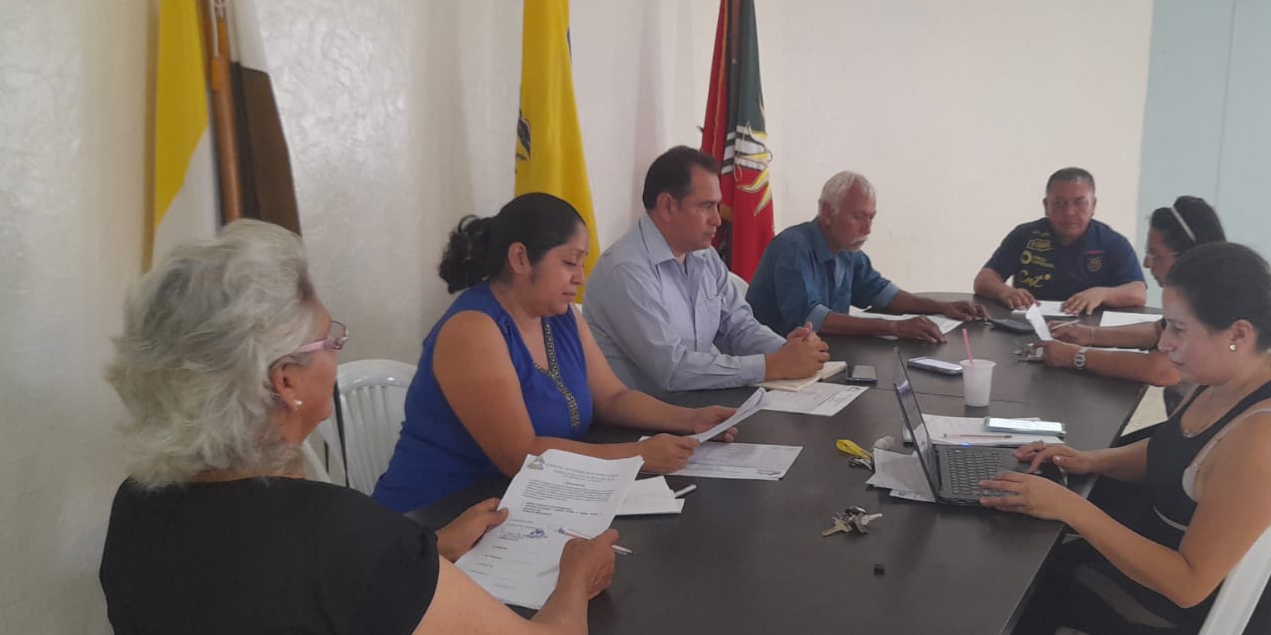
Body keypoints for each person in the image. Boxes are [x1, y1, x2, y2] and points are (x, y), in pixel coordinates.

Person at [99, 220, 620, 635]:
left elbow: (270, 604)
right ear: (286, 380)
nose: (337, 350)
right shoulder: (335, 534)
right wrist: (575, 577)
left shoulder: (136, 503)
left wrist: (428, 549)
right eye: (331, 339)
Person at [979, 242, 1271, 635]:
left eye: (1179, 330)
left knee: (1024, 590)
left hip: (1217, 624)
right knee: (1058, 547)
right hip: (1206, 581)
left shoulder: (1266, 438)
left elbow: (1187, 583)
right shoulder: (1235, 376)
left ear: (1238, 334)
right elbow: (1175, 450)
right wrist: (1089, 460)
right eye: (1166, 326)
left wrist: (1072, 506)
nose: (1165, 344)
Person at [372, 194, 737, 513]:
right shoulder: (473, 329)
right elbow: (520, 455)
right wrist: (639, 456)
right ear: (520, 258)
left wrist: (690, 420)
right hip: (435, 521)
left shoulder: (559, 316)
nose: (580, 277)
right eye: (569, 262)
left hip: (521, 503)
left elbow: (613, 397)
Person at [583, 146, 829, 395]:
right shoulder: (626, 270)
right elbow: (672, 370)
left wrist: (791, 351)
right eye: (706, 206)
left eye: (717, 206)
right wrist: (771, 365)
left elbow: (738, 328)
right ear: (667, 206)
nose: (717, 220)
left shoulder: (704, 256)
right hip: (644, 415)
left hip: (695, 403)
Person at [1039, 196, 1227, 414]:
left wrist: (1077, 356)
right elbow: (1157, 330)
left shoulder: (1209, 303)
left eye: (1155, 255)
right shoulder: (1199, 291)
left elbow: (1160, 370)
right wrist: (1089, 334)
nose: (1146, 263)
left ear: (1187, 256)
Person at [747, 171, 985, 341]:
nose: (868, 229)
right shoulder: (793, 247)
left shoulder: (847, 250)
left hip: (822, 357)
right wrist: (893, 327)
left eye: (871, 217)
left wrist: (942, 307)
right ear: (828, 213)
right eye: (859, 217)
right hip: (774, 366)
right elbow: (810, 319)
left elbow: (884, 294)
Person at [973, 167, 1146, 315]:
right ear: (1046, 206)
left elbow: (1138, 292)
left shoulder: (1111, 242)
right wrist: (1004, 291)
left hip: (1090, 330)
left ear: (1093, 205)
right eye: (1059, 203)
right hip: (1030, 324)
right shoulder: (1024, 235)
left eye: (1079, 203)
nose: (1069, 212)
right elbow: (984, 279)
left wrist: (1102, 294)